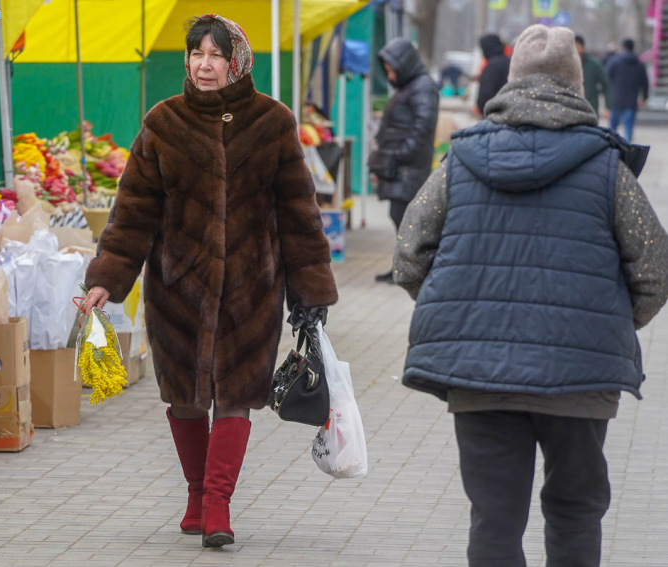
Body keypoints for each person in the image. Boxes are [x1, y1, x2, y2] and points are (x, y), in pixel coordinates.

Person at [393, 25, 668, 567]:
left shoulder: (459, 163)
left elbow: (408, 256)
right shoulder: (608, 167)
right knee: (575, 511)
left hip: (478, 375)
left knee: (493, 518)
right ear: (577, 83)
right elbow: (656, 269)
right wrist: (603, 321)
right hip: (581, 378)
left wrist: (461, 312)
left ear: (511, 78)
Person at [82, 14, 338, 548]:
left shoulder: (272, 121)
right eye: (196, 54)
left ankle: (218, 502)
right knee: (185, 398)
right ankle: (196, 493)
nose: (204, 65)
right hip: (178, 289)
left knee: (237, 396)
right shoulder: (163, 122)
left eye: (215, 55)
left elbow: (299, 212)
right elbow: (133, 211)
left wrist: (310, 291)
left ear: (236, 61)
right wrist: (108, 277)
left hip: (252, 288)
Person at [369, 38, 439, 283]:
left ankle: (411, 269)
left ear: (404, 64)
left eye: (391, 69)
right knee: (400, 218)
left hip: (408, 169)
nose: (389, 76)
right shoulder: (413, 87)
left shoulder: (422, 87)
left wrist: (400, 155)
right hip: (402, 168)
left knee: (406, 219)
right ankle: (401, 267)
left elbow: (423, 127)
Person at [607, 38, 649, 141]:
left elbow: (607, 78)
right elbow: (645, 83)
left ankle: (612, 149)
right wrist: (644, 97)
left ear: (623, 47)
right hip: (631, 100)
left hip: (616, 98)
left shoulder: (614, 62)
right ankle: (628, 152)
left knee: (612, 128)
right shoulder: (639, 64)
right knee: (628, 128)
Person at [575, 35, 612, 115]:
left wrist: (608, 106)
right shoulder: (568, 64)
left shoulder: (594, 64)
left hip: (590, 107)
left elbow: (605, 84)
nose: (576, 49)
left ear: (583, 46)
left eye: (578, 46)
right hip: (572, 108)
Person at [476, 33, 510, 117]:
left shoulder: (492, 66)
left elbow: (485, 94)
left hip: (493, 116)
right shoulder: (510, 62)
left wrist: (483, 110)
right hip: (509, 112)